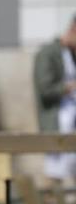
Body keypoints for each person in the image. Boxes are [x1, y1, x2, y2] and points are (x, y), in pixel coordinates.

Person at [34, 14, 76, 184]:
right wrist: (70, 86)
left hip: (73, 124)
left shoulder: (72, 54)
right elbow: (45, 89)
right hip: (57, 123)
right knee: (55, 175)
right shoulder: (48, 54)